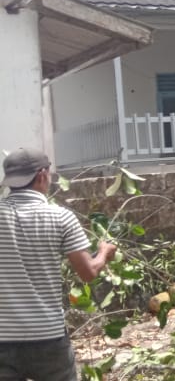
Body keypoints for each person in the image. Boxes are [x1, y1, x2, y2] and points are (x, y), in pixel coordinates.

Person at [0, 148, 118, 380]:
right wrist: (104, 253)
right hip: (48, 338)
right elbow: (88, 273)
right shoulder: (60, 217)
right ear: (42, 175)